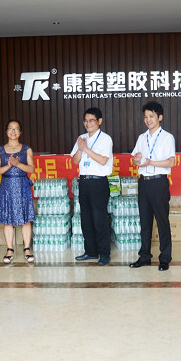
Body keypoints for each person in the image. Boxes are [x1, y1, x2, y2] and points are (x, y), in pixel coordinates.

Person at [129, 101, 175, 271]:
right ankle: (144, 257)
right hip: (144, 182)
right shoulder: (142, 138)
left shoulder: (167, 137)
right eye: (145, 117)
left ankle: (165, 258)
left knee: (162, 221)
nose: (148, 120)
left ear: (160, 117)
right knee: (145, 221)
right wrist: (136, 160)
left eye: (151, 116)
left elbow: (171, 162)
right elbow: (135, 160)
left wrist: (150, 162)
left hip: (159, 182)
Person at [71, 107, 113, 266]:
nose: (88, 123)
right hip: (84, 182)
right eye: (86, 120)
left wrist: (86, 149)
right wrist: (80, 149)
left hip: (98, 183)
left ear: (99, 121)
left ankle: (104, 253)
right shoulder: (81, 138)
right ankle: (90, 251)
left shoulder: (105, 139)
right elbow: (75, 160)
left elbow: (103, 160)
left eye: (91, 120)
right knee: (86, 219)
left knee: (99, 219)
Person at [0, 119, 35, 264]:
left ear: (20, 132)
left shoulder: (26, 149)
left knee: (26, 218)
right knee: (7, 219)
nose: (13, 131)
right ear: (6, 131)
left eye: (16, 129)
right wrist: (9, 166)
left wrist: (18, 164)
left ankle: (27, 249)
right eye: (10, 128)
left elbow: (31, 169)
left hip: (22, 185)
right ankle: (9, 249)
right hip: (7, 186)